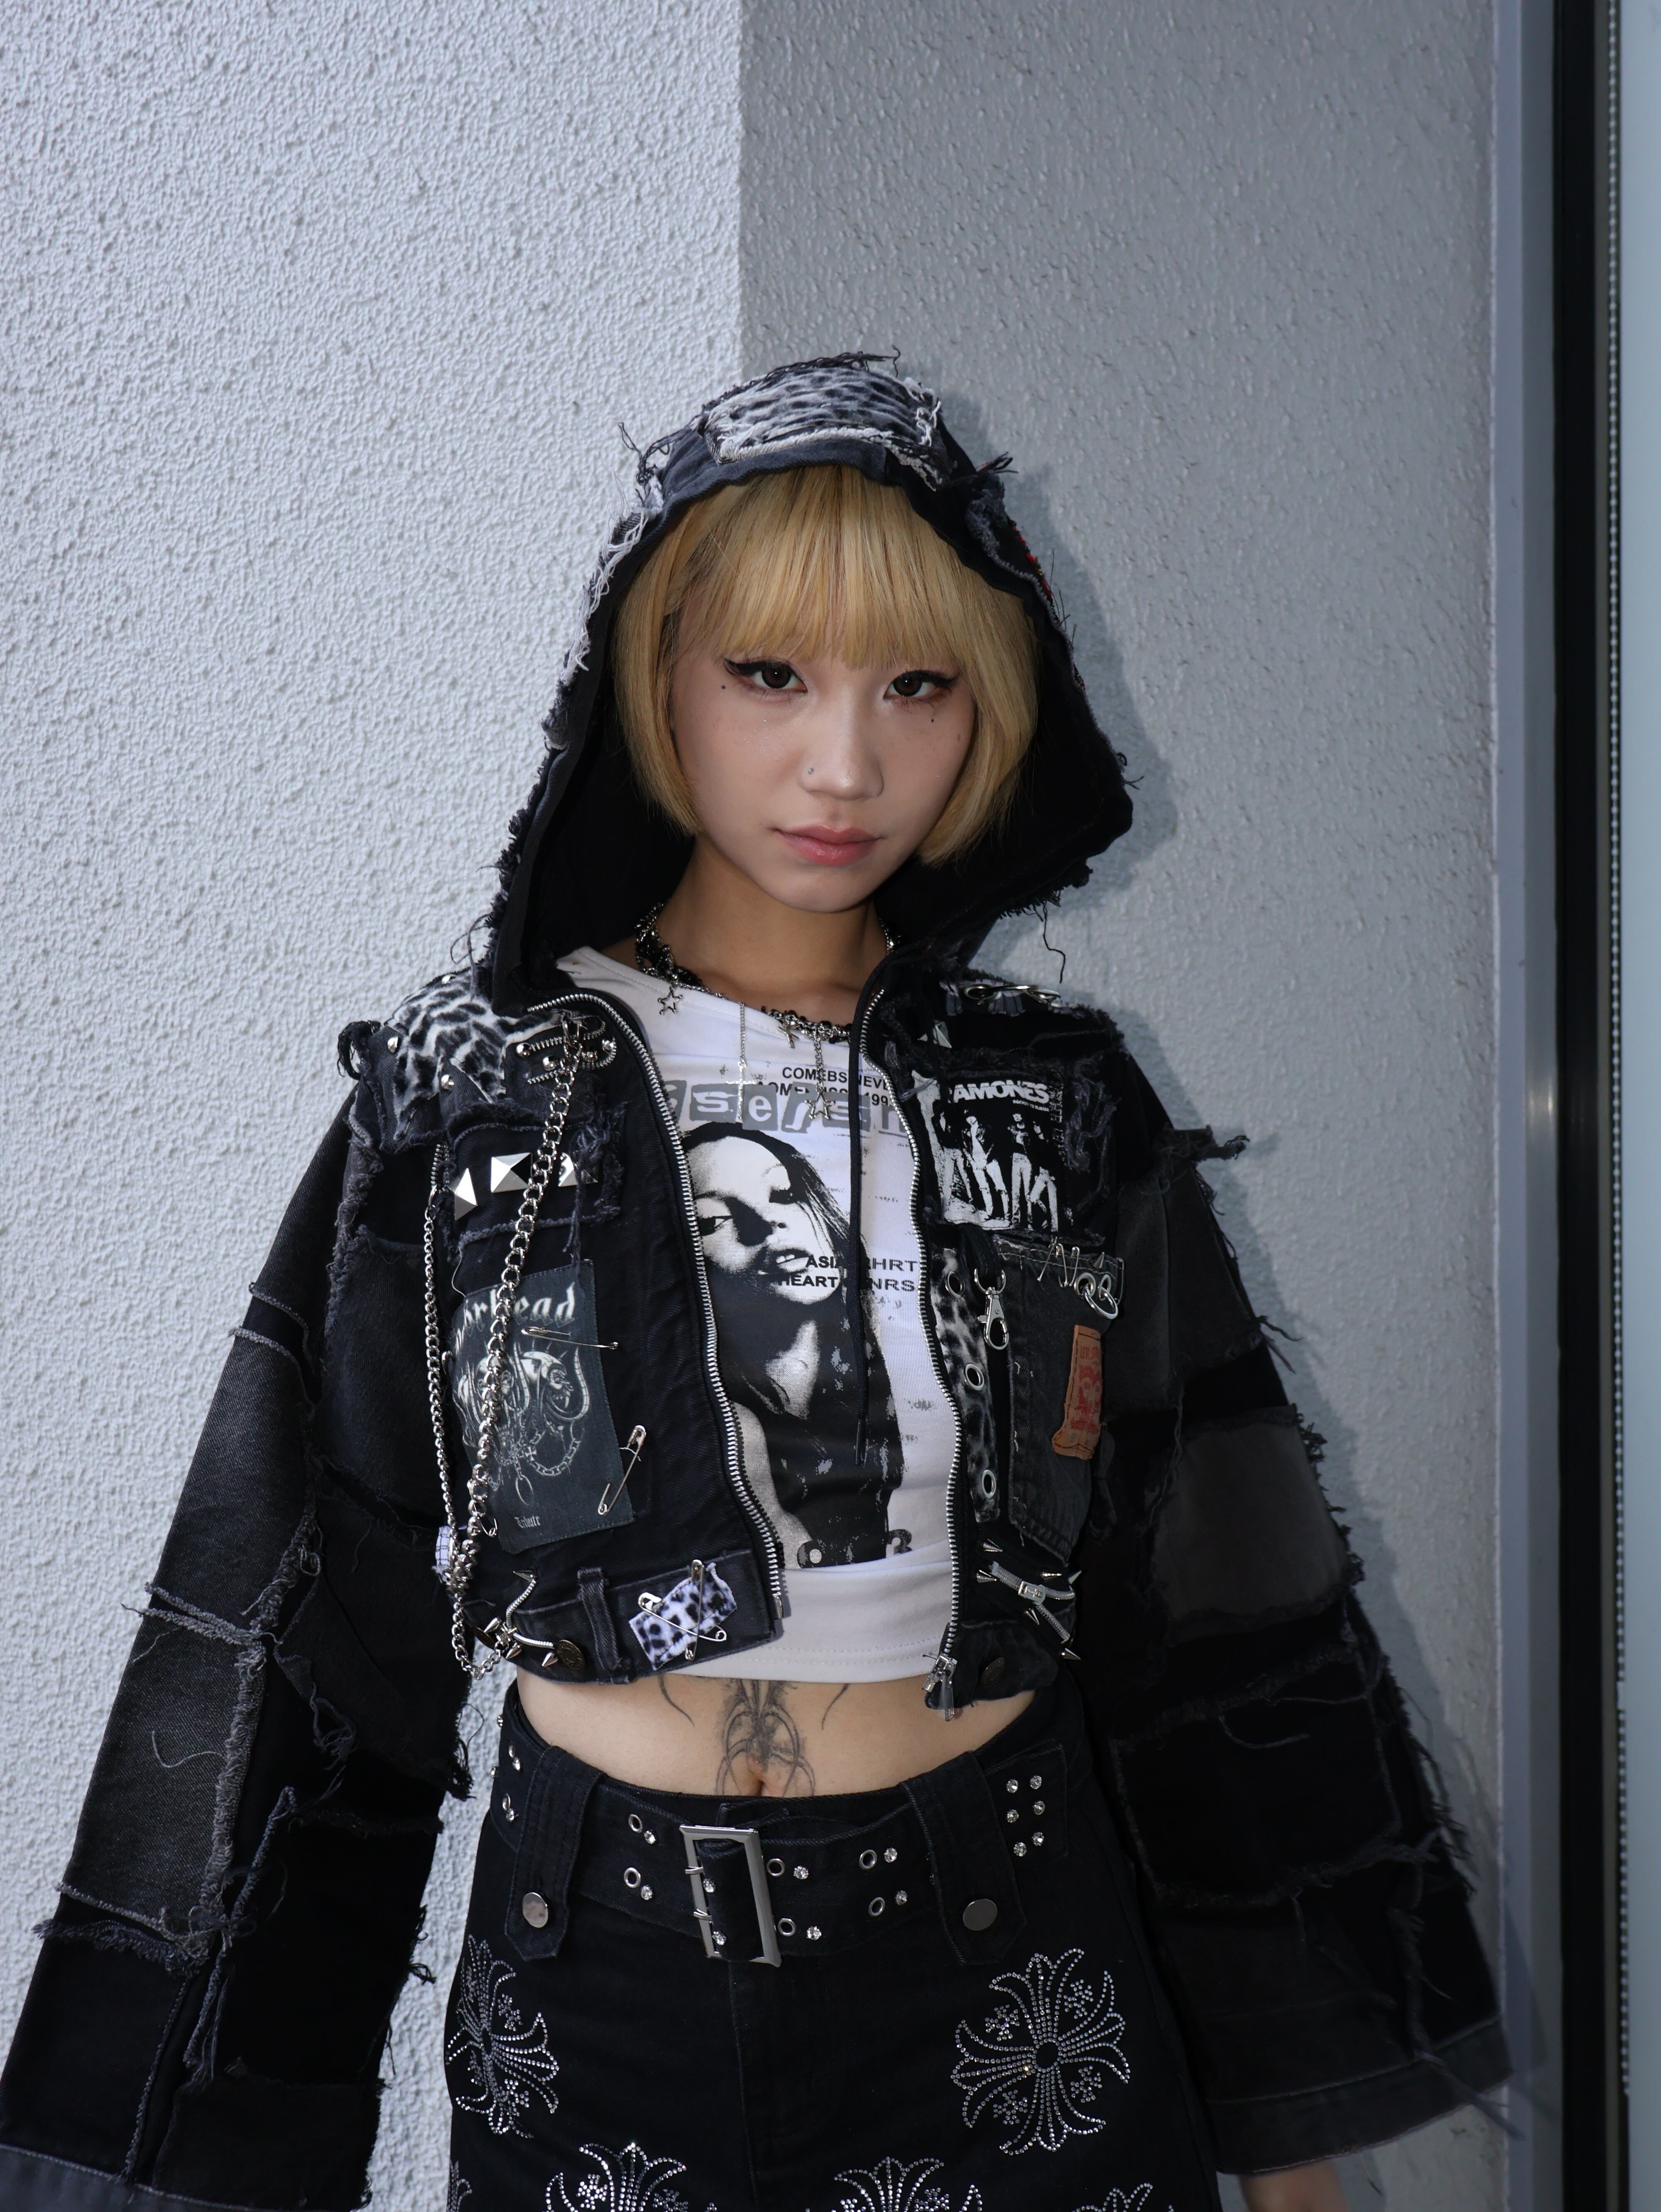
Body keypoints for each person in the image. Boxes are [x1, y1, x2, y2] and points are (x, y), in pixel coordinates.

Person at [0, 357, 1507, 2212]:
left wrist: (1293, 2149)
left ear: (994, 708)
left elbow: (1214, 1612)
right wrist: (191, 2157)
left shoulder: (1050, 1102)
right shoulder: (477, 1093)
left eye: (919, 685)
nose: (846, 764)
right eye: (772, 674)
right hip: (590, 2002)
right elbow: (302, 1620)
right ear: (657, 682)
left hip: (1014, 1977)